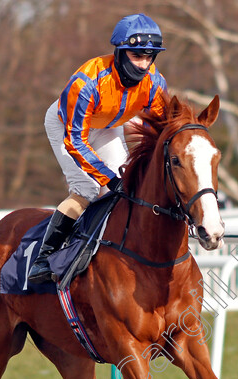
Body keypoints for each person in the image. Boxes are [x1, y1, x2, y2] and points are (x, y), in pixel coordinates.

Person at [28, 13, 169, 284]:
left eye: (150, 56)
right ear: (120, 51)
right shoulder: (87, 83)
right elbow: (75, 141)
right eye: (137, 55)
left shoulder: (155, 83)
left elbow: (156, 132)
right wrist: (108, 177)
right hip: (67, 127)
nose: (144, 64)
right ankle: (44, 258)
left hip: (107, 125)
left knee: (128, 188)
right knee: (88, 188)